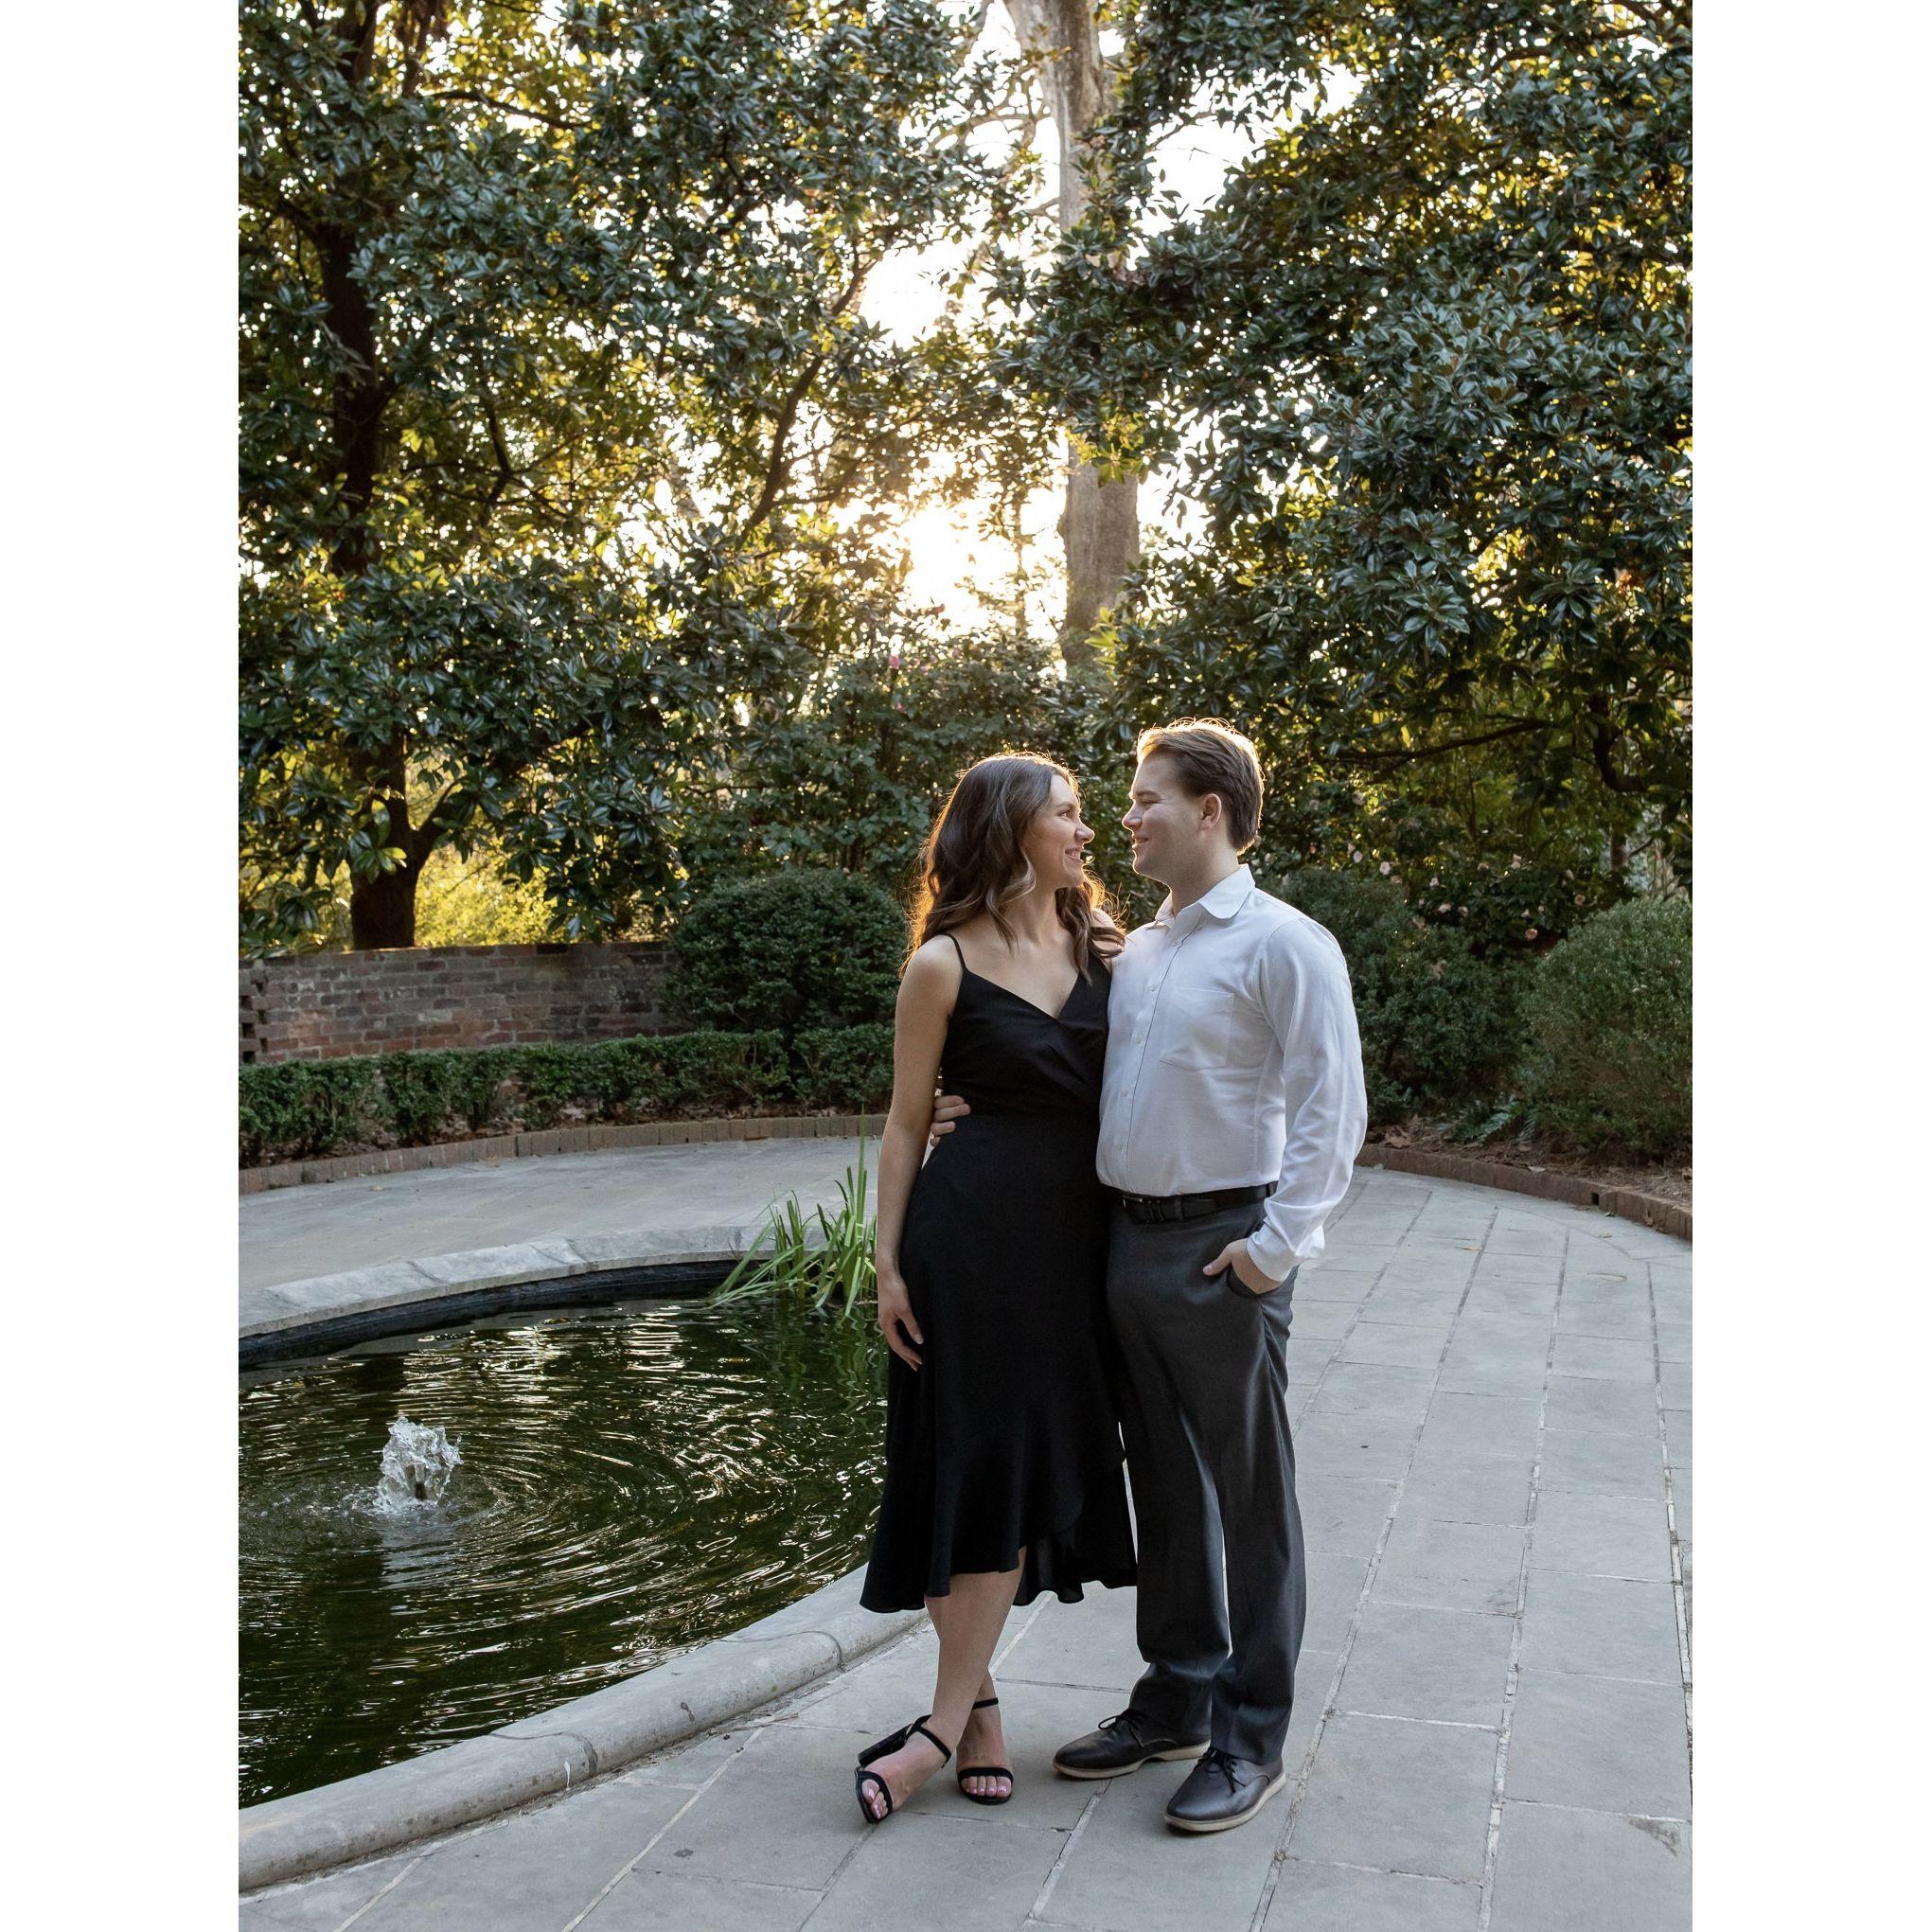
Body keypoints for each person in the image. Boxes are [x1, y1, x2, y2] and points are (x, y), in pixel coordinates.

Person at [931, 719, 1367, 1834]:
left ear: (1208, 811)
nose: (1124, 819)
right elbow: (1064, 1061)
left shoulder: (1284, 944)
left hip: (1221, 1246)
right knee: (1166, 1491)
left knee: (1250, 1499)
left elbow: (1334, 1111)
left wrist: (1272, 1250)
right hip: (1121, 1243)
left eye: (1145, 799)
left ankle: (1249, 1734)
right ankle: (1176, 1694)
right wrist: (970, 1106)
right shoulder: (1138, 948)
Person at [852, 753, 1137, 1827]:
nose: (1085, 831)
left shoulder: (1104, 947)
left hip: (1073, 1255)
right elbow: (903, 1123)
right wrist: (885, 1264)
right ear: (1012, 827)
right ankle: (951, 1724)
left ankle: (965, 1713)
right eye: (1066, 813)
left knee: (1020, 1465)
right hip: (965, 1248)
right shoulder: (941, 965)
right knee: (967, 1470)